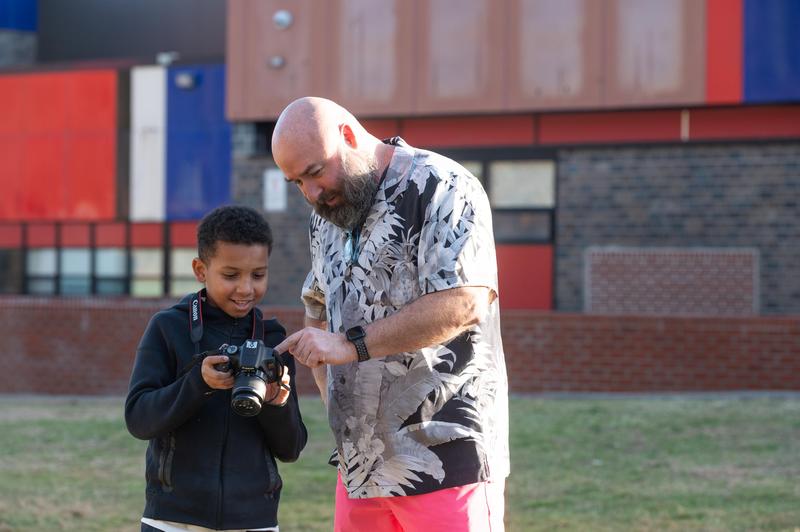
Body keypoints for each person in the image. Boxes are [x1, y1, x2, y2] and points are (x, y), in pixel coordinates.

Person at [271, 96, 509, 531]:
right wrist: (333, 398)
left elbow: (465, 301)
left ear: (347, 135)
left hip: (447, 461)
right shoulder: (325, 215)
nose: (311, 193)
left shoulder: (444, 185)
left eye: (314, 172)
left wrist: (349, 345)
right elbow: (317, 307)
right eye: (295, 183)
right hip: (359, 472)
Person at [125, 205, 307, 532]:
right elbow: (139, 419)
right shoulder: (169, 328)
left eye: (258, 274)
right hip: (172, 521)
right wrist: (198, 382)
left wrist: (276, 401)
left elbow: (291, 449)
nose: (246, 288)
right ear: (200, 269)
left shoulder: (273, 340)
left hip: (254, 521)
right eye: (230, 275)